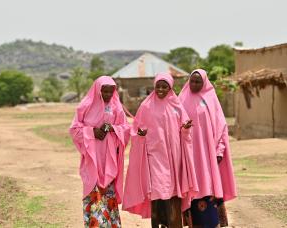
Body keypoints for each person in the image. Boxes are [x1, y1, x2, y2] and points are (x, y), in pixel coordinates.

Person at [123, 72, 198, 228]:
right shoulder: (146, 106)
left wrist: (185, 129)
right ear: (154, 86)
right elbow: (135, 130)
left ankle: (173, 223)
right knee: (158, 192)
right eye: (158, 86)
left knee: (172, 194)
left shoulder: (177, 106)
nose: (161, 90)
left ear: (170, 88)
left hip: (173, 157)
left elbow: (185, 129)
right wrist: (140, 135)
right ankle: (158, 223)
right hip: (154, 156)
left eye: (165, 87)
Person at [179, 69, 237, 228]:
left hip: (208, 156)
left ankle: (213, 223)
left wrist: (219, 151)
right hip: (189, 155)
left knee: (209, 189)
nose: (194, 84)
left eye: (198, 81)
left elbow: (221, 127)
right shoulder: (181, 99)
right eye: (192, 81)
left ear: (204, 82)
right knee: (192, 189)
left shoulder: (211, 99)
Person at [69, 76, 130, 228]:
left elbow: (125, 128)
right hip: (92, 158)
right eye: (104, 91)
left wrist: (112, 128)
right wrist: (92, 132)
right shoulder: (85, 106)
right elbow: (74, 130)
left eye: (111, 91)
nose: (108, 95)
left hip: (109, 159)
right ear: (97, 90)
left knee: (108, 193)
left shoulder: (116, 107)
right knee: (93, 190)